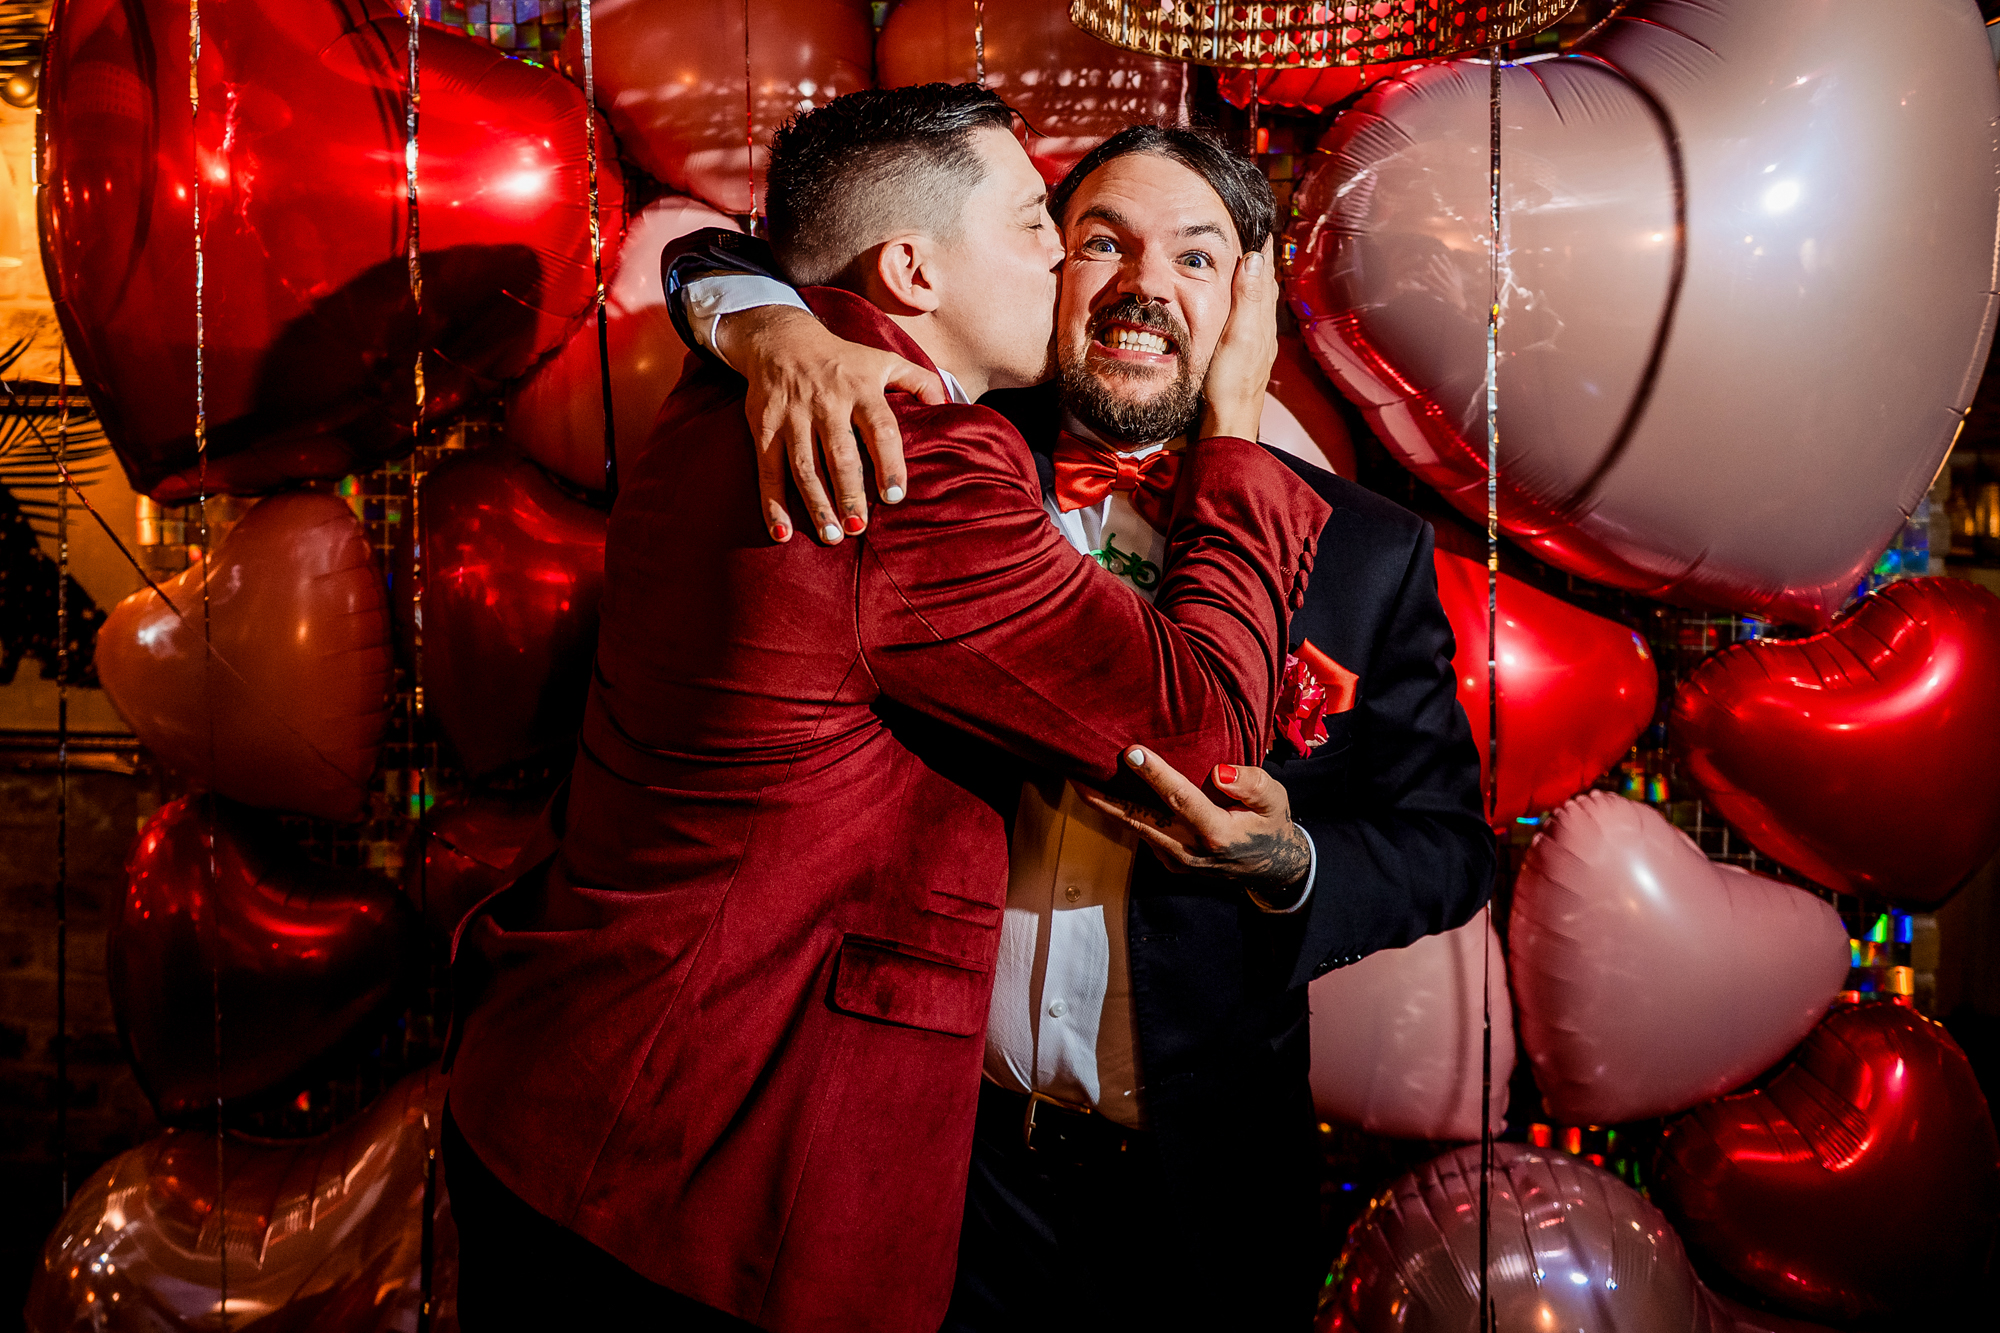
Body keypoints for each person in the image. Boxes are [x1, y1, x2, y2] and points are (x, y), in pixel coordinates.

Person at [443, 85, 1332, 1333]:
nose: (1064, 262)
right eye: (1043, 226)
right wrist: (1237, 429)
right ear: (912, 268)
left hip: (567, 1090)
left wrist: (760, 321)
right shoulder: (911, 456)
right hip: (695, 1173)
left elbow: (735, 258)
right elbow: (1198, 726)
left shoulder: (751, 381)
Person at [662, 121, 1495, 1328]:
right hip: (935, 1146)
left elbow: (1450, 845)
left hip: (1200, 1170)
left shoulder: (1363, 551)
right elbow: (708, 253)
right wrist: (778, 328)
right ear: (1049, 266)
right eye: (1101, 243)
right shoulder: (941, 448)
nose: (1144, 286)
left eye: (1197, 260)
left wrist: (1291, 865)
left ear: (1246, 304)